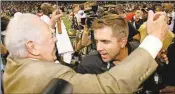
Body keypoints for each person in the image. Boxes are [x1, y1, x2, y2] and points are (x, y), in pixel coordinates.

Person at [3, 10, 168, 93]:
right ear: (32, 47)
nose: (55, 40)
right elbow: (108, 87)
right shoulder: (87, 65)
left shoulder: (16, 62)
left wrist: (47, 29)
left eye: (105, 41)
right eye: (50, 36)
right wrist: (155, 39)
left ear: (123, 41)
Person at [76, 14, 140, 74]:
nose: (98, 48)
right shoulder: (88, 65)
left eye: (105, 41)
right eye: (96, 41)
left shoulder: (141, 54)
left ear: (122, 42)